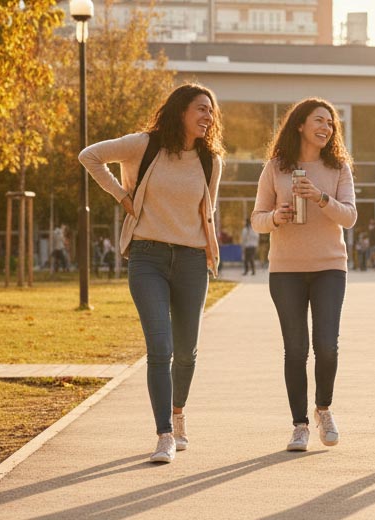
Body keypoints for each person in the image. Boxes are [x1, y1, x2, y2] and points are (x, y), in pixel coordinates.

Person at [79, 83, 224, 463]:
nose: (208, 117)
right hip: (147, 257)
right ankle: (163, 435)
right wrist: (121, 196)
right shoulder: (144, 145)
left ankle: (178, 416)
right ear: (180, 111)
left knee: (187, 352)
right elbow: (89, 156)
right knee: (160, 348)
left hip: (192, 261)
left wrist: (211, 253)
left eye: (211, 111)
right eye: (201, 109)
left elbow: (207, 212)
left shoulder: (211, 161)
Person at [250, 97, 357, 452]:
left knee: (326, 346)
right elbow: (257, 219)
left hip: (329, 266)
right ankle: (299, 425)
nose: (326, 127)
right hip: (286, 270)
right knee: (295, 350)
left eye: (331, 123)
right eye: (319, 120)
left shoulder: (338, 168)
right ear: (299, 124)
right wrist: (276, 218)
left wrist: (321, 197)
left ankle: (323, 408)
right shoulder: (276, 168)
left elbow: (350, 217)